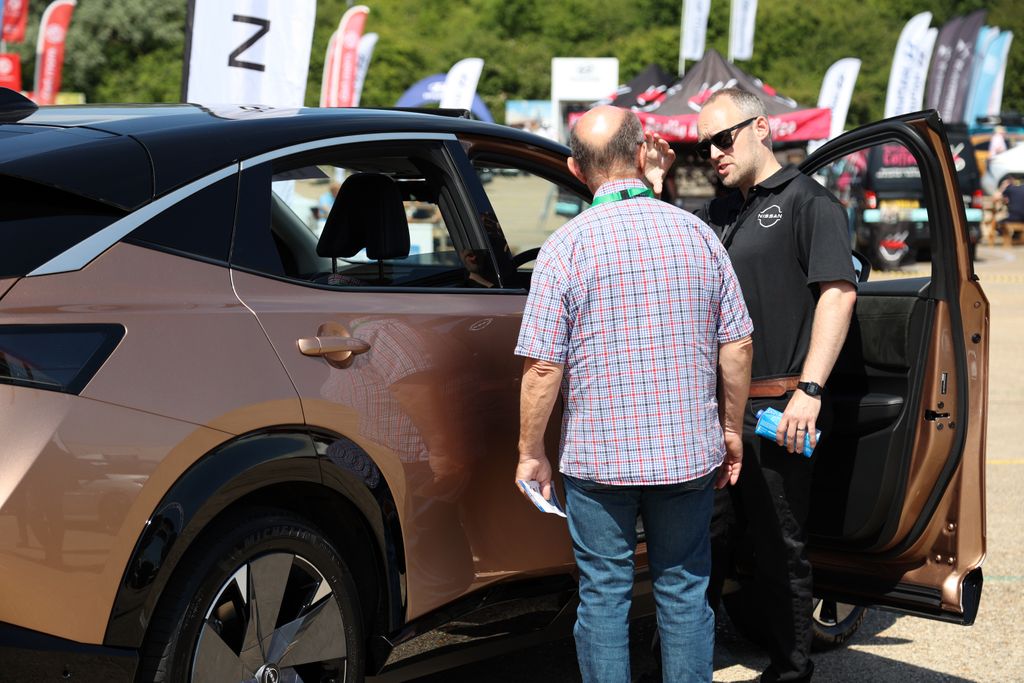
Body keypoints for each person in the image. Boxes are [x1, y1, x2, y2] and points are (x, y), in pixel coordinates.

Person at [514, 105, 754, 683]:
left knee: (603, 595)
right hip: (687, 452)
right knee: (684, 591)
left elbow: (543, 368)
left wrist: (530, 451)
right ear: (643, 152)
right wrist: (730, 429)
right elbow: (738, 346)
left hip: (599, 459)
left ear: (576, 169)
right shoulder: (698, 236)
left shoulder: (564, 248)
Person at [690, 88, 858, 683]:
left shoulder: (809, 202)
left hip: (778, 405)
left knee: (779, 542)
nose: (713, 153)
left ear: (761, 127)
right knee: (707, 540)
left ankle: (791, 670)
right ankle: (685, 662)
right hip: (715, 410)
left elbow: (837, 294)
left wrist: (809, 391)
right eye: (704, 145)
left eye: (723, 138)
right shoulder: (717, 212)